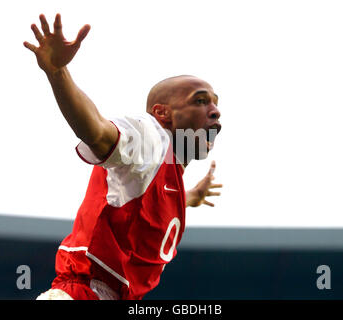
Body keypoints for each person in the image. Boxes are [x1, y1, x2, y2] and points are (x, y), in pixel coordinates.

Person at [24, 14, 222, 300]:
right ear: (162, 113)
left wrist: (189, 196)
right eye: (201, 100)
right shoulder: (151, 136)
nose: (215, 110)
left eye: (216, 103)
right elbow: (99, 133)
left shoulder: (167, 173)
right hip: (84, 292)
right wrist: (58, 73)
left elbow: (146, 201)